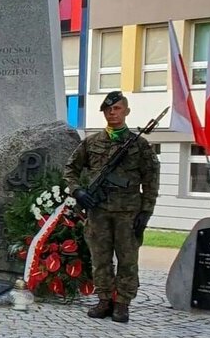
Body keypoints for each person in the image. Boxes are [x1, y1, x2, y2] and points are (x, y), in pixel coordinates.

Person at [63, 91, 159, 323]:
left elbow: (151, 179)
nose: (112, 113)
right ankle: (104, 299)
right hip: (99, 211)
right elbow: (70, 170)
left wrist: (146, 211)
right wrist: (79, 191)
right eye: (108, 109)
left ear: (126, 111)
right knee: (100, 258)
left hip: (128, 212)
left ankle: (123, 303)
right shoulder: (91, 142)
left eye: (117, 108)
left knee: (127, 259)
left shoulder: (140, 145)